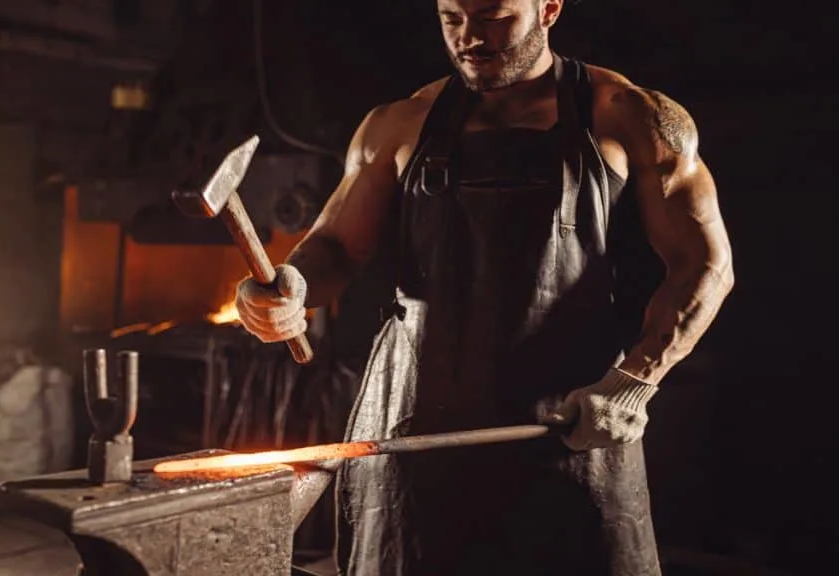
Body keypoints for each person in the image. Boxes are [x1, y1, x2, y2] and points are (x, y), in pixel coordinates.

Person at [235, 0, 734, 574]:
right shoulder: (400, 123)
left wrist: (634, 382)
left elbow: (704, 265)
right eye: (452, 17)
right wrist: (292, 285)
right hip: (413, 423)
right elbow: (337, 247)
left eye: (494, 15)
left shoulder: (631, 116)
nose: (470, 36)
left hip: (570, 425)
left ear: (548, 8)